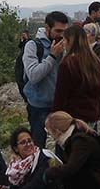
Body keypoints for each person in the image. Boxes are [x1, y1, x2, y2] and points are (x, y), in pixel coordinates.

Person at [21, 11, 69, 148]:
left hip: (59, 104)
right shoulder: (33, 46)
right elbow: (34, 76)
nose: (61, 35)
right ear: (47, 28)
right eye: (58, 31)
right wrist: (52, 57)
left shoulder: (63, 46)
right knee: (39, 145)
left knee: (62, 144)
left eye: (64, 31)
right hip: (38, 106)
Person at [53, 25, 100, 124]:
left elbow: (61, 95)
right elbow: (99, 91)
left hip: (72, 116)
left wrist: (55, 116)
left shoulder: (67, 64)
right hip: (91, 114)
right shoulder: (95, 61)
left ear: (69, 41)